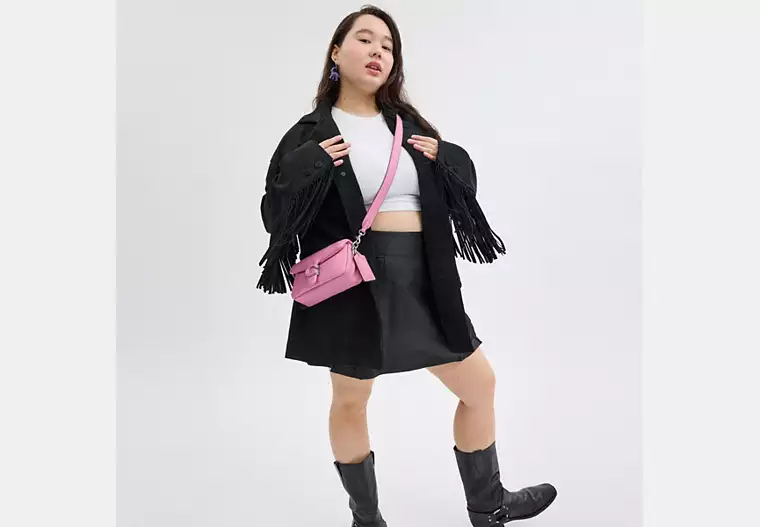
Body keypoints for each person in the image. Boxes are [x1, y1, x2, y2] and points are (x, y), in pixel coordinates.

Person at [256, 5, 557, 526]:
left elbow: (462, 191)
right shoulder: (309, 133)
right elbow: (273, 214)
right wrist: (312, 164)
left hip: (424, 274)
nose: (378, 51)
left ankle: (489, 505)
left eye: (388, 46)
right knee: (351, 399)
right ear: (336, 52)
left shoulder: (407, 125)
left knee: (479, 386)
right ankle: (367, 519)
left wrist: (446, 157)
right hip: (353, 280)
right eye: (365, 39)